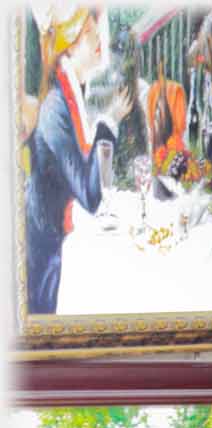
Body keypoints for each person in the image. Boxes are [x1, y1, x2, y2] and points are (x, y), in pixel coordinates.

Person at [24, 6, 134, 315]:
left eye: (96, 30)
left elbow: (101, 186)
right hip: (45, 256)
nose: (99, 38)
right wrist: (109, 122)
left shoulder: (76, 97)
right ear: (68, 47)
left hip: (63, 240)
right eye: (88, 34)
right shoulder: (55, 109)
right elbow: (91, 195)